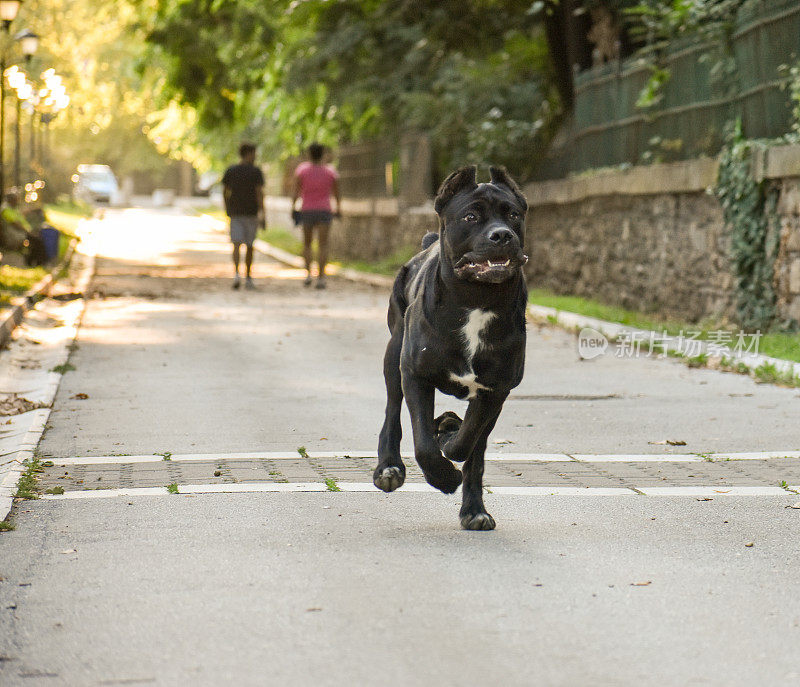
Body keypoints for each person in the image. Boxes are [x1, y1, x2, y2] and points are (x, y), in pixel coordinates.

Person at [291, 143, 341, 289]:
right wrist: (338, 208)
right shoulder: (330, 171)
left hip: (307, 210)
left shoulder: (302, 170)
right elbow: (337, 192)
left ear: (309, 154)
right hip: (325, 210)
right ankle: (321, 277)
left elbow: (296, 191)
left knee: (307, 243)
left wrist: (293, 207)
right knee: (323, 244)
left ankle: (307, 274)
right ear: (323, 153)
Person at [222, 142, 265, 290]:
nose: (255, 156)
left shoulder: (231, 171)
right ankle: (247, 276)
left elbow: (225, 192)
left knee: (236, 244)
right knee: (249, 245)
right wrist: (262, 213)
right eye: (254, 153)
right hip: (250, 213)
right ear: (248, 153)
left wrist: (227, 207)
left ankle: (236, 274)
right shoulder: (256, 172)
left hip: (236, 212)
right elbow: (259, 194)